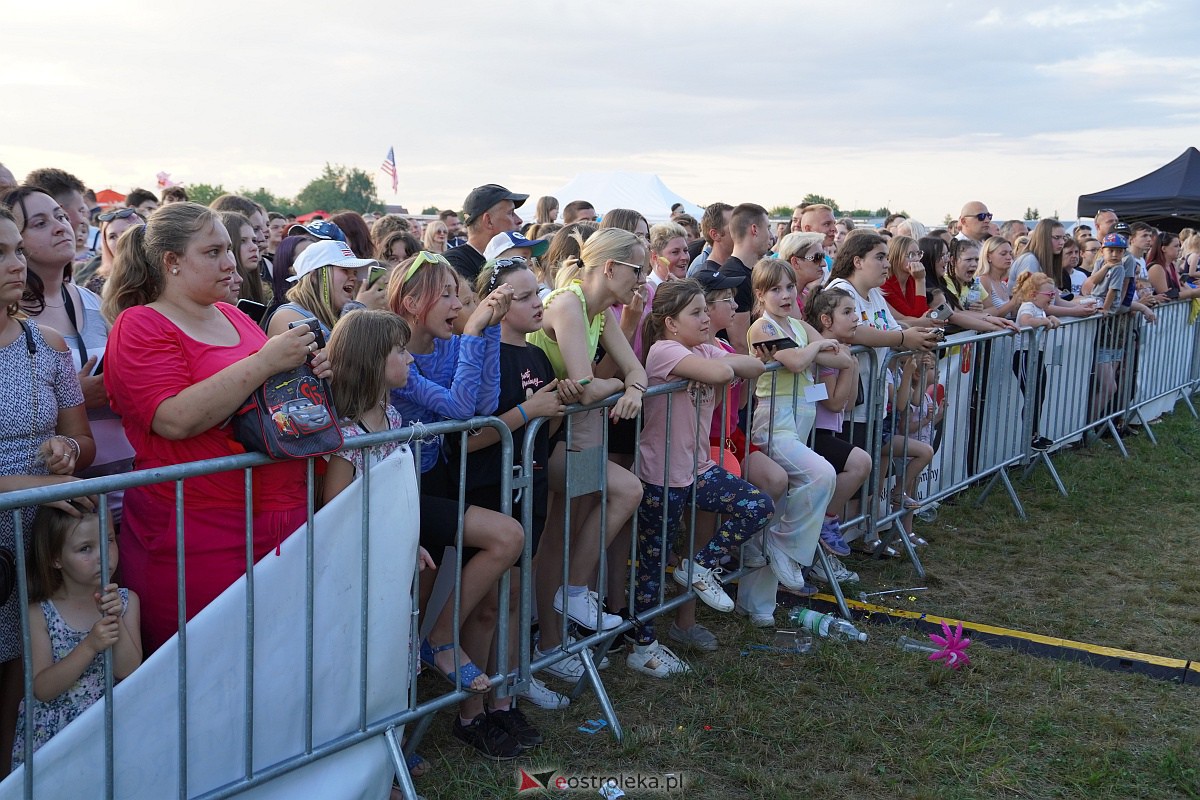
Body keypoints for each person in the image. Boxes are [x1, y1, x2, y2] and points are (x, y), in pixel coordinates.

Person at [102, 201, 329, 651]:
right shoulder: (141, 324)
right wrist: (267, 361)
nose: (230, 262)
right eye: (212, 252)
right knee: (199, 668)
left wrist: (309, 370)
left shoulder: (234, 315)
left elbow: (263, 397)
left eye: (229, 248)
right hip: (193, 532)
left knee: (269, 658)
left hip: (272, 519)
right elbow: (173, 418)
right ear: (172, 263)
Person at [386, 252, 534, 759]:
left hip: (433, 484)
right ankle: (436, 653)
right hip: (397, 494)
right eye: (446, 294)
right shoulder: (395, 350)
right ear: (411, 301)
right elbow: (453, 407)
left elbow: (481, 403)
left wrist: (487, 333)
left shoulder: (448, 343)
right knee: (401, 619)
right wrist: (474, 331)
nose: (456, 303)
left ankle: (433, 658)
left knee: (416, 611)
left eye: (458, 293)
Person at [628, 280, 771, 678]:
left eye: (706, 311)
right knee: (651, 567)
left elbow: (751, 364)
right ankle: (642, 646)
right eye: (696, 313)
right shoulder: (664, 351)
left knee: (757, 505)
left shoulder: (701, 349)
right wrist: (719, 369)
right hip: (661, 475)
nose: (707, 318)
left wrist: (719, 368)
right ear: (671, 322)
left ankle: (700, 566)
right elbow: (726, 369)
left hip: (697, 469)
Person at [524, 229, 648, 679]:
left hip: (557, 437)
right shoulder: (569, 303)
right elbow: (586, 386)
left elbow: (637, 369)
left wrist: (628, 385)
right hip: (534, 443)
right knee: (625, 490)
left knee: (557, 541)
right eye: (639, 270)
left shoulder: (600, 310)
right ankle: (573, 595)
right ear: (611, 268)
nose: (645, 281)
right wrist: (620, 387)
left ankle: (551, 645)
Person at [0, 205, 96, 773]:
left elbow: (83, 443)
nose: (15, 264)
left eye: (16, 250)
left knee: (22, 672)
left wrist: (68, 453)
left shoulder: (50, 346)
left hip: (38, 541)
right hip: (23, 514)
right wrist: (33, 482)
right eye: (1, 254)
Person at [738, 258, 850, 615]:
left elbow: (839, 357)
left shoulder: (799, 327)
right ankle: (785, 546)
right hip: (774, 424)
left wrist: (816, 352)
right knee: (823, 474)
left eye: (789, 287)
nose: (785, 295)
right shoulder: (762, 328)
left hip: (798, 423)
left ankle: (758, 607)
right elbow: (799, 362)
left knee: (781, 506)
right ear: (760, 294)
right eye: (776, 289)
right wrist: (817, 349)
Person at [13, 507, 142, 765]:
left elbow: (128, 670)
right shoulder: (40, 612)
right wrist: (90, 645)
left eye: (108, 540)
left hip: (107, 730)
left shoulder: (127, 601)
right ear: (55, 558)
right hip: (53, 739)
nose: (102, 555)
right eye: (85, 548)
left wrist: (113, 619)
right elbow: (42, 688)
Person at [805, 286, 874, 580]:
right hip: (814, 432)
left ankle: (822, 532)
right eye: (847, 312)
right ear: (826, 320)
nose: (855, 318)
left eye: (854, 311)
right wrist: (847, 367)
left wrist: (852, 366)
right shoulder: (827, 357)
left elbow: (851, 400)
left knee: (858, 466)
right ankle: (825, 520)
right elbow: (832, 403)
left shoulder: (843, 354)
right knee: (861, 463)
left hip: (831, 427)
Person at [266, 239, 376, 339]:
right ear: (314, 277)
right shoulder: (288, 316)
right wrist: (359, 314)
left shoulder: (338, 314)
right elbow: (333, 359)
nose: (354, 278)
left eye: (355, 272)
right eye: (345, 270)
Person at [1011, 272, 1061, 451]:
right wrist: (1042, 321)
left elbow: (1044, 320)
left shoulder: (1039, 309)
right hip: (1025, 355)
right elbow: (1025, 321)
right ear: (1033, 294)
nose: (1052, 298)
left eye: (1053, 295)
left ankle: (1035, 434)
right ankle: (1030, 436)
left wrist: (1050, 319)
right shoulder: (1027, 306)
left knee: (1039, 395)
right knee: (1031, 395)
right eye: (1049, 295)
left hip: (1036, 356)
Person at [719, 204, 774, 354]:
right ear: (754, 230)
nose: (771, 235)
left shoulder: (748, 272)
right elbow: (740, 343)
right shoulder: (734, 277)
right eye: (768, 228)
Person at [445, 184, 527, 283]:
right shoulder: (454, 263)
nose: (519, 220)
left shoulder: (511, 256)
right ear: (488, 221)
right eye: (510, 213)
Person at [74, 207, 144, 295]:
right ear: (105, 243)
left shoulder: (161, 272)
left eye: (125, 233)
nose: (119, 241)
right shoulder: (97, 286)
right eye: (112, 237)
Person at [216, 211, 268, 305]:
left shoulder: (255, 287)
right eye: (242, 241)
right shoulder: (221, 299)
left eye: (254, 240)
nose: (254, 247)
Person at [977, 235, 1021, 319]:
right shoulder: (983, 280)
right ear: (989, 256)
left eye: (1010, 253)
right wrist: (1013, 302)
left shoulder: (1003, 284)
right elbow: (988, 315)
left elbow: (1011, 315)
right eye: (1003, 254)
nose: (1009, 257)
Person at [646, 222, 690, 288]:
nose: (684, 257)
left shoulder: (689, 288)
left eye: (685, 251)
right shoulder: (647, 292)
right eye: (675, 252)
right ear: (654, 257)